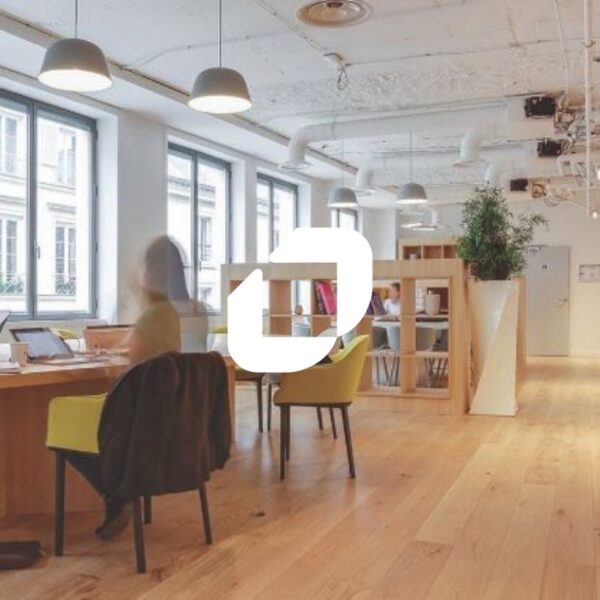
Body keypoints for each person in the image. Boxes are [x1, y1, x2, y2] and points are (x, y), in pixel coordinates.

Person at [66, 236, 208, 540]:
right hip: (184, 415)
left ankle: (118, 493)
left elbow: (128, 363)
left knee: (64, 429)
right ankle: (120, 492)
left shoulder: (156, 314)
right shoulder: (191, 310)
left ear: (151, 272)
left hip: (146, 419)